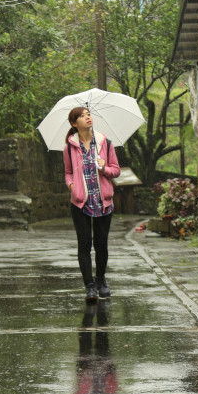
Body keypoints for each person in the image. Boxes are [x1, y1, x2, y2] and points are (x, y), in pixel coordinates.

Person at [64, 106, 120, 301]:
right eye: (81, 116)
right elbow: (68, 171)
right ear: (74, 123)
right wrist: (72, 186)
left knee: (101, 244)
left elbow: (116, 170)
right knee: (84, 244)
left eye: (88, 114)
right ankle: (89, 286)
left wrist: (104, 168)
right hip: (80, 203)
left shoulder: (105, 143)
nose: (87, 118)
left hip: (103, 202)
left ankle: (101, 279)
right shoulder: (70, 147)